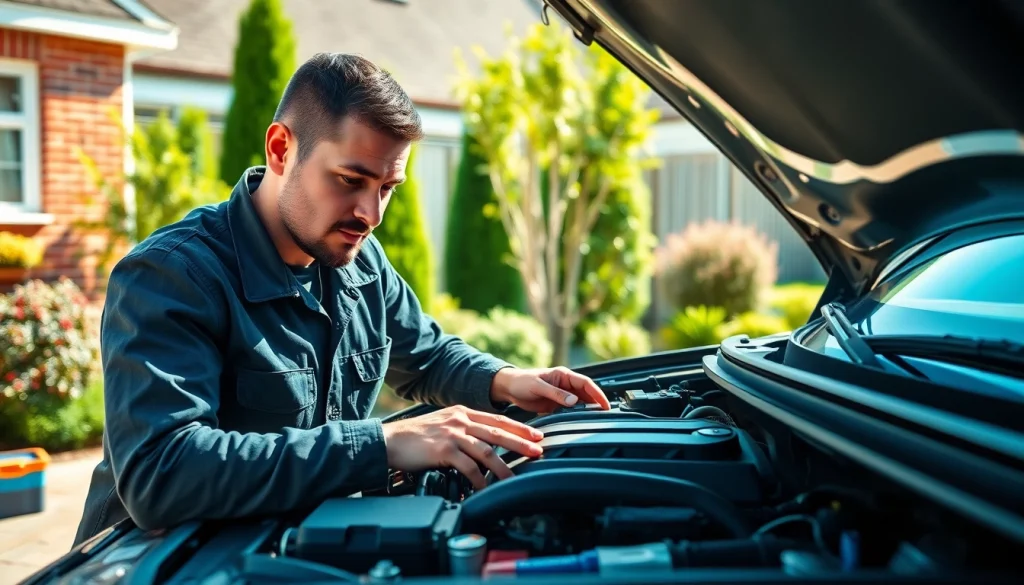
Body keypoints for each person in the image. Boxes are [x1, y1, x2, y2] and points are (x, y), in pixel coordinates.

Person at [73, 52, 610, 547]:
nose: (371, 215)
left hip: (289, 553)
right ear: (281, 149)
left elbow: (425, 356)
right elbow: (162, 472)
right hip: (155, 564)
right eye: (351, 180)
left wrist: (507, 380)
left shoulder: (358, 259)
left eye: (387, 188)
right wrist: (379, 444)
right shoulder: (172, 274)